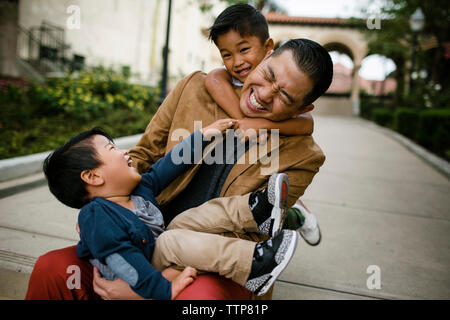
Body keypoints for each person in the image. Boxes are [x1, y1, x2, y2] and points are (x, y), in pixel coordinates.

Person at [26, 37, 333, 300]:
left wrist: (152, 285)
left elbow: (252, 237)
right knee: (51, 269)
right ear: (265, 56)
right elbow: (145, 158)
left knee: (200, 298)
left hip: (211, 259)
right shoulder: (194, 89)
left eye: (284, 96)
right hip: (139, 244)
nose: (265, 94)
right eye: (267, 75)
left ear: (303, 110)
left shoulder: (304, 156)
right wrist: (97, 210)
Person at [42, 124, 299, 299]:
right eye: (112, 149)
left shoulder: (139, 190)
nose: (124, 152)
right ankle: (253, 265)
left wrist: (203, 136)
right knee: (171, 239)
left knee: (189, 217)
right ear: (93, 176)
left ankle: (258, 212)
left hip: (156, 253)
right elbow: (121, 262)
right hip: (138, 273)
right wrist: (164, 289)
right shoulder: (96, 217)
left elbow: (170, 165)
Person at [205, 3, 321, 245]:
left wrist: (262, 125)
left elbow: (306, 124)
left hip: (268, 168)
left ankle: (298, 216)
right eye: (226, 54)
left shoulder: (280, 78)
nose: (236, 62)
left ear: (268, 48)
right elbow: (214, 79)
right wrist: (245, 121)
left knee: (270, 210)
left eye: (244, 49)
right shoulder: (226, 79)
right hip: (236, 171)